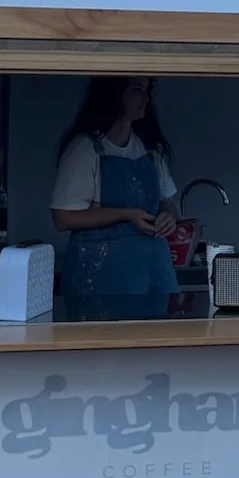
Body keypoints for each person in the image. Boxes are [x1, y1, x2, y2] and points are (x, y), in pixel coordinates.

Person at [51, 76, 179, 320]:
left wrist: (168, 216)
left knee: (156, 349)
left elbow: (167, 200)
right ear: (114, 93)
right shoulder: (86, 150)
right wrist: (126, 214)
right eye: (137, 90)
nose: (146, 98)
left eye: (147, 90)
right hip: (101, 276)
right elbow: (63, 217)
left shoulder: (151, 149)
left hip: (151, 272)